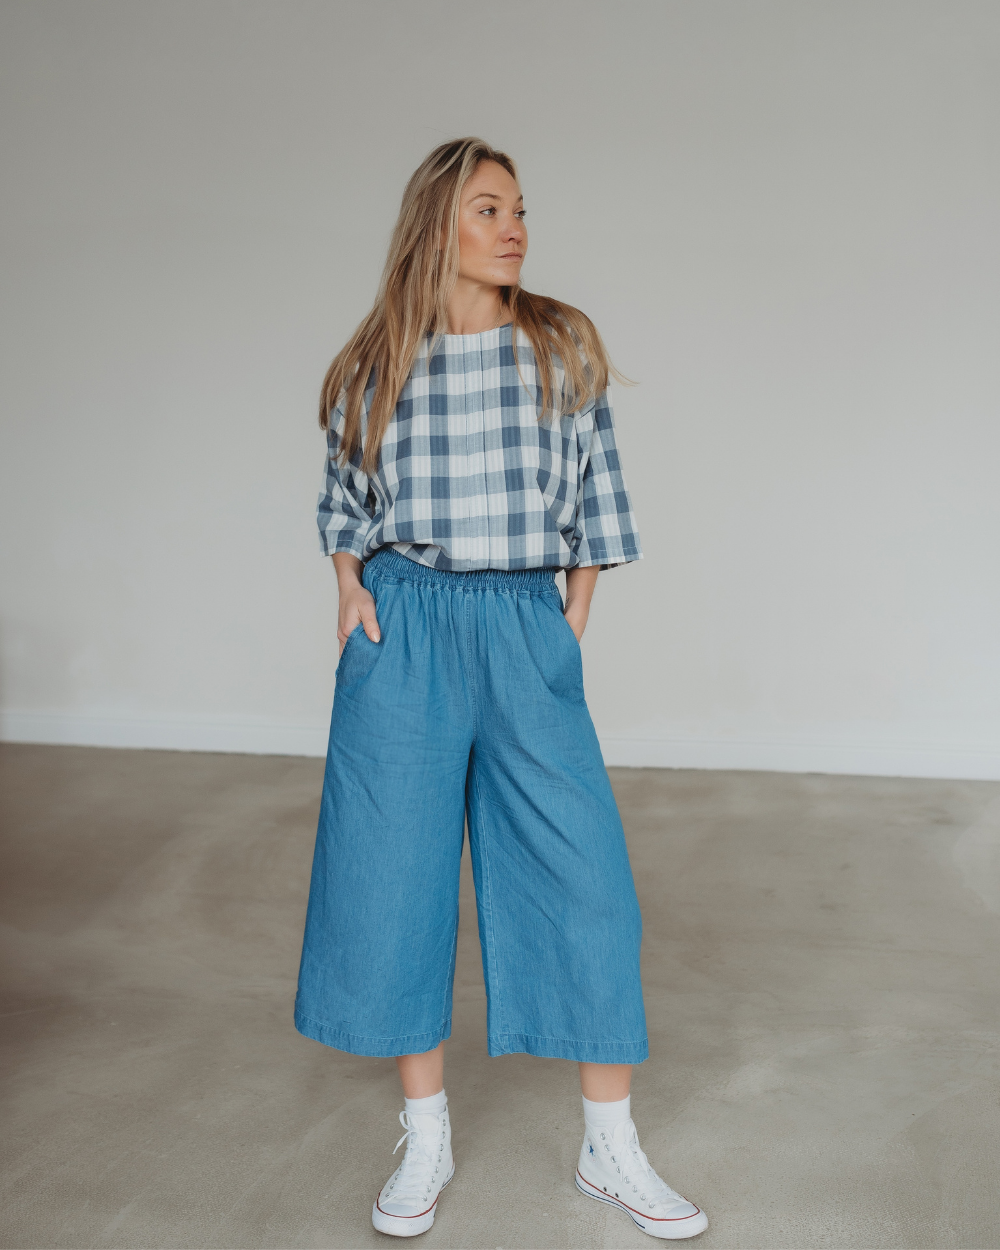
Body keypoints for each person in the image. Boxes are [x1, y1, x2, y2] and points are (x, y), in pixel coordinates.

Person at [294, 137, 707, 1241]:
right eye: (489, 208)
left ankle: (609, 1144)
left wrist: (566, 624)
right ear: (439, 227)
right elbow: (344, 497)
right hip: (409, 625)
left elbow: (598, 500)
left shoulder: (557, 346)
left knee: (585, 880)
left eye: (520, 207)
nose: (514, 225)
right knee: (395, 879)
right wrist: (351, 593)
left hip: (522, 621)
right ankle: (424, 1132)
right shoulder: (374, 362)